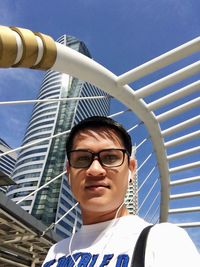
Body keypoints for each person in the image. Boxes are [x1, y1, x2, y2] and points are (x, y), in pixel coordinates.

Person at [42, 116, 199, 267]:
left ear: (131, 169)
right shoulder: (55, 252)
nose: (95, 170)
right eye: (82, 159)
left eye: (110, 157)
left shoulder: (165, 240)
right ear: (69, 172)